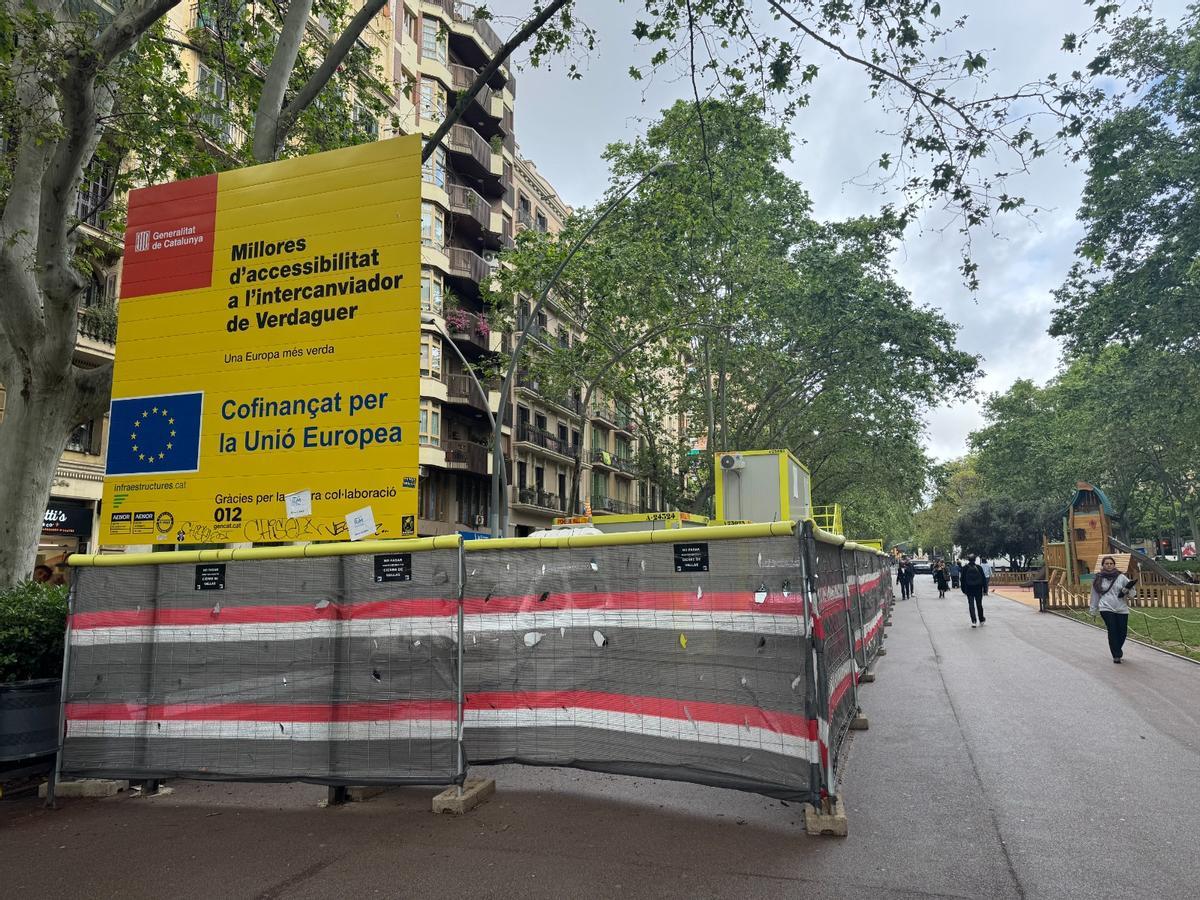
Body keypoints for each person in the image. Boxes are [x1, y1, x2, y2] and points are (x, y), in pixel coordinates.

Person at [1090, 556, 1136, 663]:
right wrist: (1093, 609)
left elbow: (1132, 592)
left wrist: (1126, 590)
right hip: (1106, 607)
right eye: (1106, 563)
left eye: (1111, 563)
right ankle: (1116, 655)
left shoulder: (1121, 577)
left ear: (1114, 565)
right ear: (1103, 565)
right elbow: (1095, 595)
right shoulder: (1098, 578)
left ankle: (1117, 648)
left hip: (1121, 607)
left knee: (1122, 631)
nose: (1109, 565)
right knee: (1112, 630)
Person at [960, 555, 986, 627]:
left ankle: (973, 621)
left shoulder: (965, 568)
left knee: (971, 605)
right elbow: (983, 579)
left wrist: (963, 589)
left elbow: (962, 579)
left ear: (968, 560)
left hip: (969, 589)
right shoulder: (979, 567)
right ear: (975, 560)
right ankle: (981, 619)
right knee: (979, 604)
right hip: (978, 588)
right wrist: (985, 589)